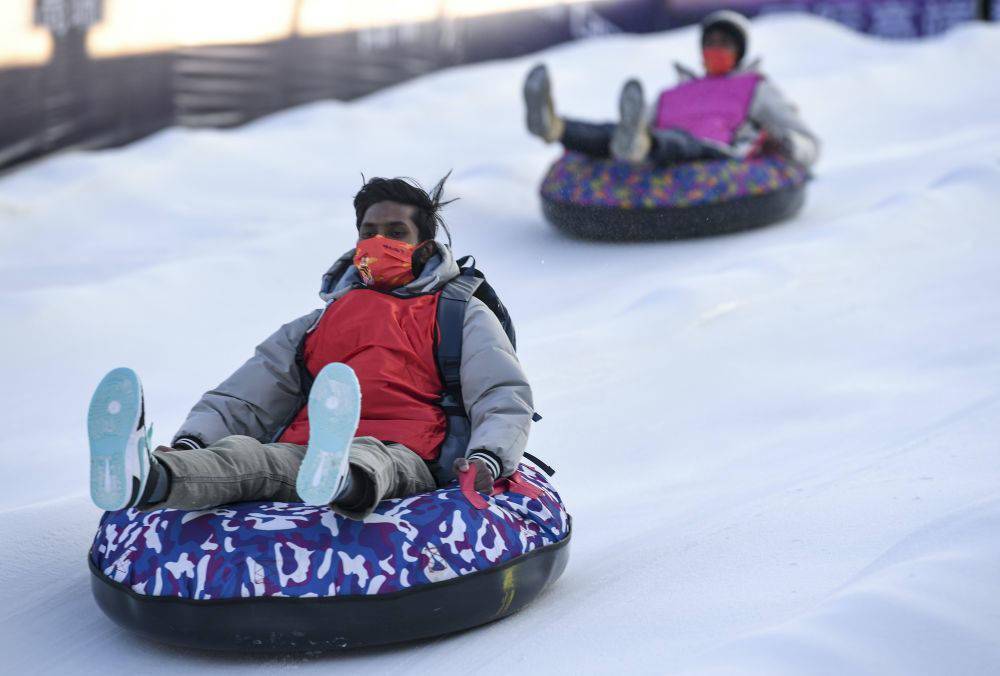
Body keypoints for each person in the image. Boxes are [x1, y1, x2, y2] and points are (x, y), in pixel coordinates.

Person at [87, 175, 533, 519]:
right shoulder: (318, 325)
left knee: (369, 457)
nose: (379, 243)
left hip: (409, 451)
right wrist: (191, 443)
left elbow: (500, 394)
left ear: (424, 246)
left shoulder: (458, 314)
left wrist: (488, 458)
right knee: (249, 459)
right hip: (307, 450)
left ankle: (339, 478)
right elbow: (246, 395)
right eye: (368, 232)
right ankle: (148, 478)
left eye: (396, 232)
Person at [524, 10, 819, 168]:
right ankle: (555, 127)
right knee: (614, 133)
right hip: (658, 140)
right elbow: (637, 124)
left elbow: (807, 140)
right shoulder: (675, 92)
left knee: (676, 141)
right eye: (710, 43)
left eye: (725, 44)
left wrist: (789, 144)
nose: (716, 49)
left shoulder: (754, 87)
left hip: (716, 150)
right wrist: (633, 131)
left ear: (739, 52)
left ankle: (641, 146)